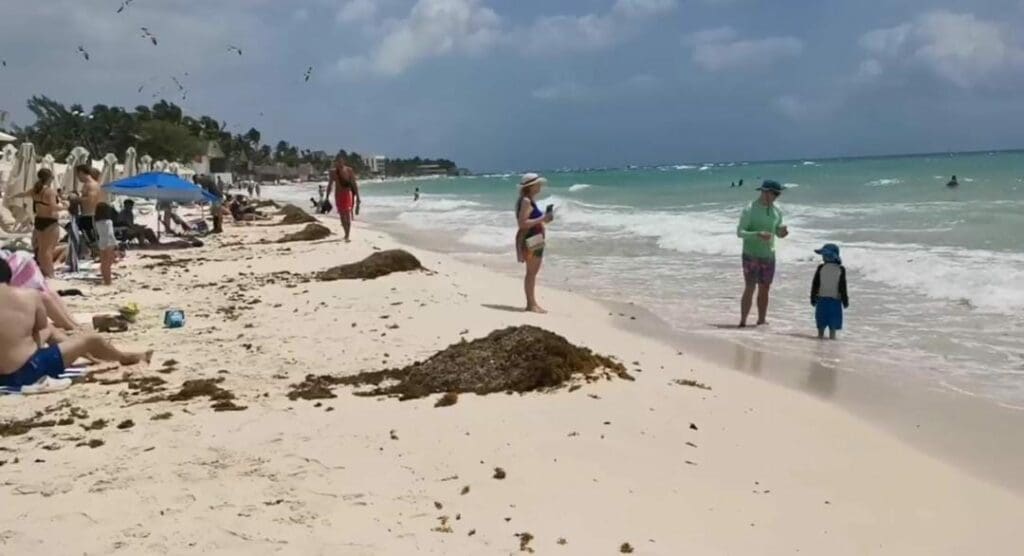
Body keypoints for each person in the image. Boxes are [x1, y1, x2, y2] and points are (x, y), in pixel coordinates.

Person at [0, 258, 152, 390]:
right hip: (27, 371)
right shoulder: (29, 295)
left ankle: (87, 354)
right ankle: (123, 357)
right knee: (91, 339)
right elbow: (40, 326)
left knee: (48, 330)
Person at [736, 180, 789, 327]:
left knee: (765, 288)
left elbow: (777, 231)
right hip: (750, 254)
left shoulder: (777, 211)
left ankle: (761, 320)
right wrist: (757, 234)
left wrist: (782, 232)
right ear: (764, 192)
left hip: (768, 255)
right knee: (750, 287)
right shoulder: (750, 209)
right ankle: (743, 321)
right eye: (774, 194)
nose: (776, 197)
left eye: (778, 194)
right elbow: (740, 232)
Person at [0, 249, 80, 330]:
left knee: (41, 296)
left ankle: (70, 326)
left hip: (12, 264)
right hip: (16, 259)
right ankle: (73, 323)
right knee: (45, 291)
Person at [515, 173, 554, 313]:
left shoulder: (527, 200)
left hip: (534, 237)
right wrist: (543, 218)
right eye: (538, 184)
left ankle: (532, 303)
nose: (540, 186)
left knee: (532, 272)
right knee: (531, 273)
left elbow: (529, 221)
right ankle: (531, 304)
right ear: (531, 186)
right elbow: (522, 223)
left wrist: (544, 219)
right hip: (532, 238)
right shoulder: (526, 201)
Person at [14, 169, 63, 277]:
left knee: (41, 250)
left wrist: (11, 196)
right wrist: (65, 206)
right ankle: (50, 274)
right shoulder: (49, 192)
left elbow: (23, 194)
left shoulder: (35, 190)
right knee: (48, 250)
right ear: (49, 178)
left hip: (39, 221)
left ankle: (44, 272)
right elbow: (53, 207)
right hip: (50, 222)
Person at [810, 243, 850, 340]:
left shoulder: (840, 269)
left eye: (826, 255)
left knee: (832, 326)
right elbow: (816, 283)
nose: (824, 257)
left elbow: (843, 286)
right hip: (823, 300)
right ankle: (823, 340)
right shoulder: (821, 267)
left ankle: (828, 340)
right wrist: (813, 297)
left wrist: (845, 300)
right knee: (822, 324)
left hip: (834, 301)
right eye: (824, 255)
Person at [326, 155, 361, 242]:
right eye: (337, 162)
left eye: (341, 161)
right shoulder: (333, 172)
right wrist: (326, 196)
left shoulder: (349, 170)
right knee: (342, 216)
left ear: (343, 161)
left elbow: (354, 184)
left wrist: (358, 197)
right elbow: (330, 185)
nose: (339, 163)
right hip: (338, 195)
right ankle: (346, 232)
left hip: (347, 195)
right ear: (335, 163)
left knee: (347, 214)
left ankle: (347, 235)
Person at [74, 164, 102, 248]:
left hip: (91, 216)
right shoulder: (86, 185)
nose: (78, 177)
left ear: (81, 173)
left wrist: (76, 198)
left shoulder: (92, 185)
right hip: (86, 215)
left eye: (78, 174)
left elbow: (91, 200)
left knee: (93, 240)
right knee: (88, 241)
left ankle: (97, 253)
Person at [94, 201, 118, 285]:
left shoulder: (97, 222)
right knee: (108, 263)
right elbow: (110, 233)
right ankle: (108, 281)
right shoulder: (108, 221)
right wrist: (115, 243)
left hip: (101, 241)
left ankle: (105, 279)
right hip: (109, 242)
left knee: (103, 263)